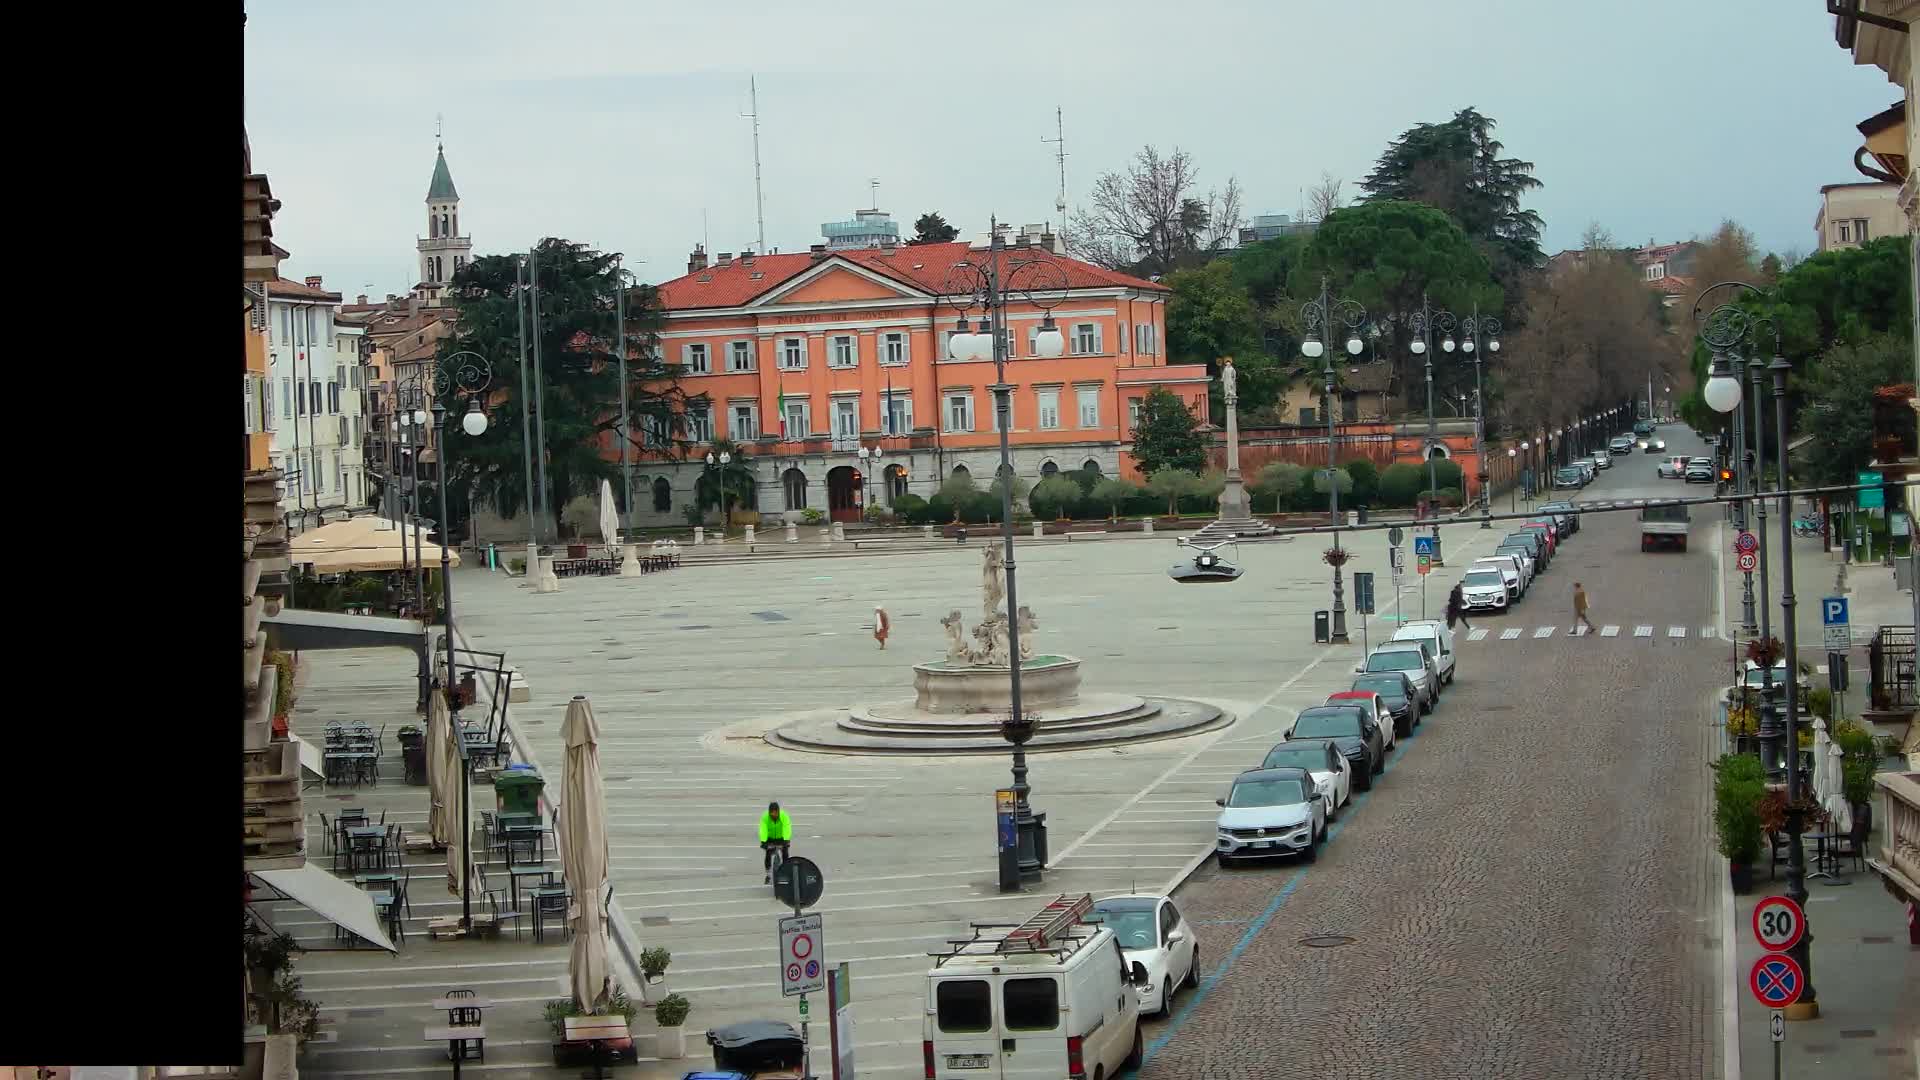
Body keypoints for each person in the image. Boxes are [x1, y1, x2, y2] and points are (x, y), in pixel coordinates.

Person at [759, 801, 793, 883]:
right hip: (770, 838)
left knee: (785, 853)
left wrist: (786, 840)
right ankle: (768, 874)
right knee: (768, 854)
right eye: (772, 813)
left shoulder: (784, 816)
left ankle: (786, 871)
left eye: (776, 812)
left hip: (781, 838)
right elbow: (763, 830)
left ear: (778, 811)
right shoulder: (765, 817)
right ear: (769, 812)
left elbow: (787, 828)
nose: (774, 814)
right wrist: (763, 842)